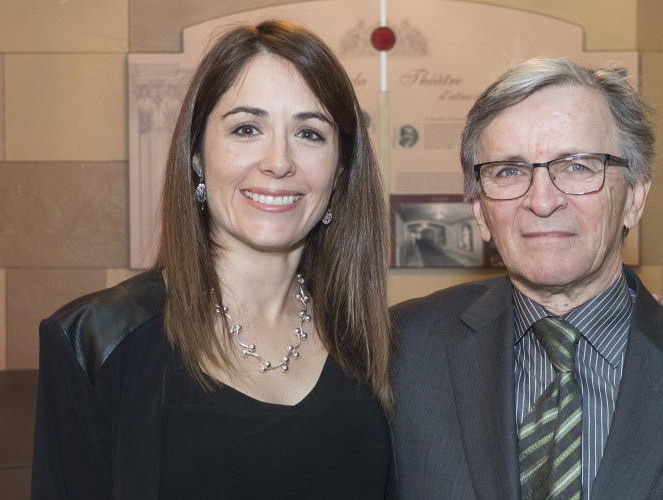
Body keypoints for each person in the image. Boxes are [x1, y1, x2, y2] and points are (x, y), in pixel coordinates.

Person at [390, 58, 663, 499]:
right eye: (509, 170)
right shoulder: (395, 355)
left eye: (578, 165)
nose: (542, 201)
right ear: (480, 211)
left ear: (634, 197)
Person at [31, 21, 396, 498]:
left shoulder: (373, 341)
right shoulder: (96, 341)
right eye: (247, 128)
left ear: (341, 168)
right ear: (197, 155)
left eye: (309, 133)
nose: (278, 161)